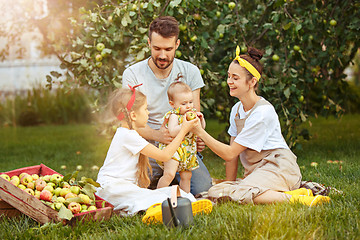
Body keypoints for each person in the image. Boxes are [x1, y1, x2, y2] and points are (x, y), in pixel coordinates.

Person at [191, 46, 331, 206]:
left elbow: (229, 153)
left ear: (252, 82)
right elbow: (233, 157)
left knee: (239, 192)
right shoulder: (236, 110)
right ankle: (293, 192)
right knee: (217, 191)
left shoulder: (262, 112)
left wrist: (199, 132)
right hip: (258, 172)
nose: (229, 81)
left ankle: (299, 199)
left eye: (235, 78)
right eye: (229, 76)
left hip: (279, 168)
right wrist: (229, 183)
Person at [122, 16, 212, 195]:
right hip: (149, 148)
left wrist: (199, 136)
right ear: (148, 43)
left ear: (177, 44)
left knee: (202, 190)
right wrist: (157, 135)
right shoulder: (132, 74)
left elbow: (194, 114)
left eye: (168, 49)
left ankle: (172, 182)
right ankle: (165, 182)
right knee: (137, 189)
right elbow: (128, 123)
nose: (162, 55)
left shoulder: (190, 72)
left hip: (183, 147)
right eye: (157, 48)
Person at [96, 85, 200, 215]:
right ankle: (185, 204)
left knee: (160, 195)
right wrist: (184, 130)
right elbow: (165, 156)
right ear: (133, 115)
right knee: (154, 199)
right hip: (112, 189)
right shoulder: (128, 135)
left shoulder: (127, 133)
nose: (148, 113)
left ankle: (186, 201)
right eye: (146, 109)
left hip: (116, 188)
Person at [156, 81, 206, 193]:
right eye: (184, 104)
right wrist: (184, 125)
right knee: (169, 174)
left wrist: (201, 120)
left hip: (187, 152)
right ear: (173, 104)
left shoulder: (191, 113)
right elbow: (173, 131)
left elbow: (201, 129)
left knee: (187, 176)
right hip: (174, 150)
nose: (188, 106)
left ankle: (186, 198)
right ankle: (157, 196)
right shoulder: (174, 115)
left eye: (190, 102)